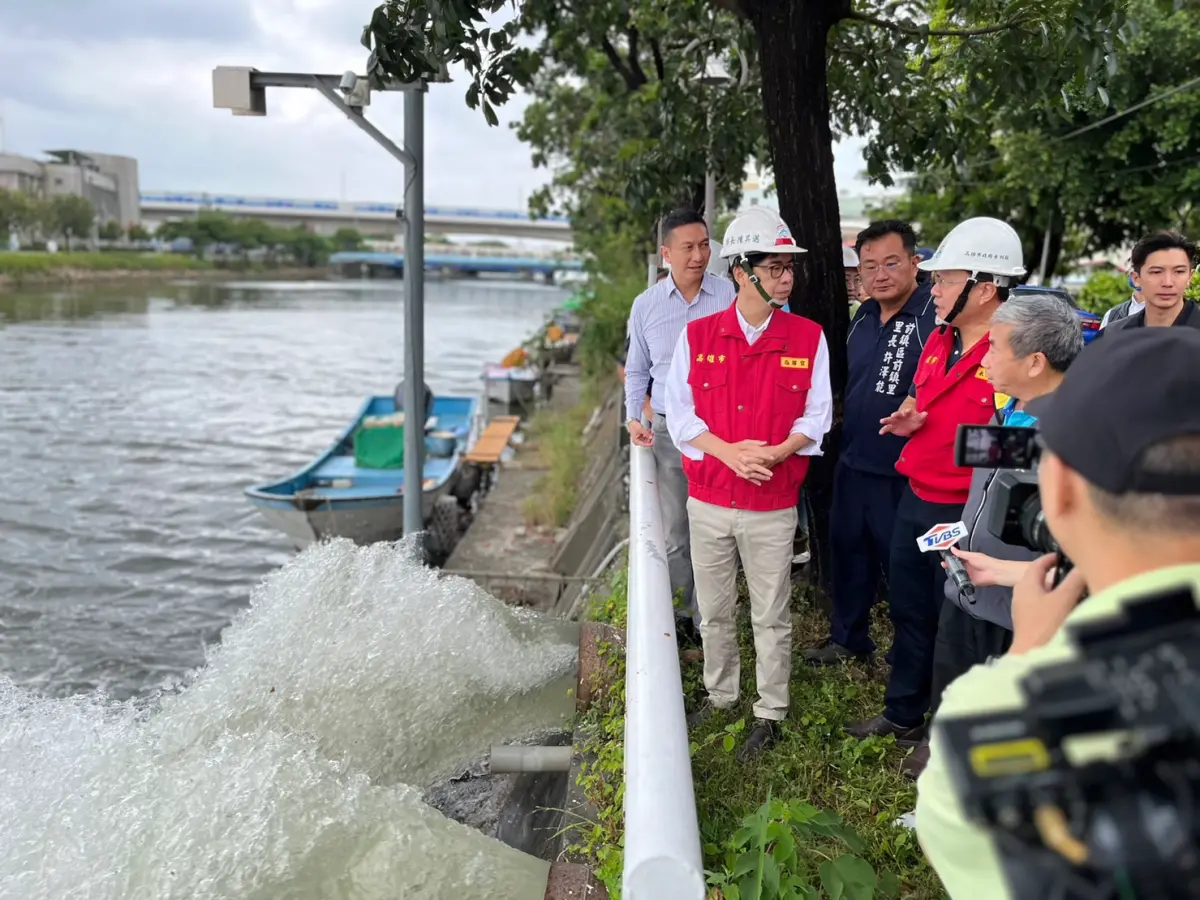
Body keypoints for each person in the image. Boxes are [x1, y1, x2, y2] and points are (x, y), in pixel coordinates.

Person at [915, 327, 1200, 899]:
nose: (986, 360)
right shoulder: (1011, 421)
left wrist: (1022, 661)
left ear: (1059, 491)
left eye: (996, 349)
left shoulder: (996, 716)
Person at [847, 216, 1025, 745]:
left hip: (967, 518)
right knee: (910, 610)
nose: (936, 288)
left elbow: (1026, 441)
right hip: (917, 500)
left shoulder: (1014, 355)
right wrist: (913, 414)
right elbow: (926, 397)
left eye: (946, 279)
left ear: (986, 287)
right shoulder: (939, 339)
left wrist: (956, 444)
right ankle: (903, 712)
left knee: (959, 626)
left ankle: (945, 734)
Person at [665, 206, 832, 761]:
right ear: (743, 272)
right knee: (713, 609)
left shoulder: (808, 338)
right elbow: (681, 414)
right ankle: (720, 696)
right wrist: (730, 453)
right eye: (776, 267)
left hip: (772, 500)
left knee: (770, 612)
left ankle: (770, 709)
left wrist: (780, 452)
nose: (787, 278)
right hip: (709, 497)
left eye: (789, 268)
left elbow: (816, 416)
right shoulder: (698, 336)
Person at [900, 292, 1084, 780]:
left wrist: (1006, 572)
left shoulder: (1077, 436)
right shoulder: (1008, 410)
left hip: (1020, 611)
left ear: (1035, 362)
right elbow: (985, 492)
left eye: (997, 347)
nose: (985, 356)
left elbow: (1088, 557)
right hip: (969, 592)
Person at [805, 220, 936, 667]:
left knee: (902, 568)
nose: (879, 274)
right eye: (869, 266)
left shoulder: (933, 319)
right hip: (854, 458)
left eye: (891, 263)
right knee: (848, 552)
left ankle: (909, 654)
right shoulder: (862, 316)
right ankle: (848, 639)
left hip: (902, 471)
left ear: (916, 263)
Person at [625, 213, 736, 637]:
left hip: (723, 432)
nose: (699, 255)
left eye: (705, 245)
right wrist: (635, 417)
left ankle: (715, 618)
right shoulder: (646, 305)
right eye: (688, 247)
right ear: (666, 254)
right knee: (676, 531)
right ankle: (682, 618)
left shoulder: (730, 297)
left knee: (721, 528)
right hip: (670, 433)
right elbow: (637, 372)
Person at [1101, 231, 1198, 334]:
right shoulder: (1112, 335)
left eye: (1179, 271)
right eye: (1156, 272)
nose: (1167, 282)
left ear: (1190, 277)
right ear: (1136, 278)